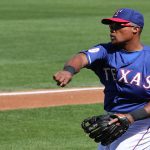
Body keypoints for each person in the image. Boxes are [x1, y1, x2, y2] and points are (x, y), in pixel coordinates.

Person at [53, 8, 150, 150]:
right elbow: (81, 58)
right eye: (111, 26)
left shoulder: (148, 59)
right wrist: (69, 71)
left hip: (142, 123)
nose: (112, 30)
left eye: (118, 26)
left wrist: (131, 117)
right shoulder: (105, 51)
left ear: (135, 29)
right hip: (114, 121)